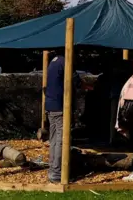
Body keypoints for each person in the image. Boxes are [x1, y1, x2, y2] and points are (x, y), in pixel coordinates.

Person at [45, 48, 93, 183]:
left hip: (50, 106)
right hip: (61, 106)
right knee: (62, 140)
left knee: (54, 139)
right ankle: (57, 173)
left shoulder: (53, 61)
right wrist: (90, 87)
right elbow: (76, 82)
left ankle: (53, 170)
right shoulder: (65, 62)